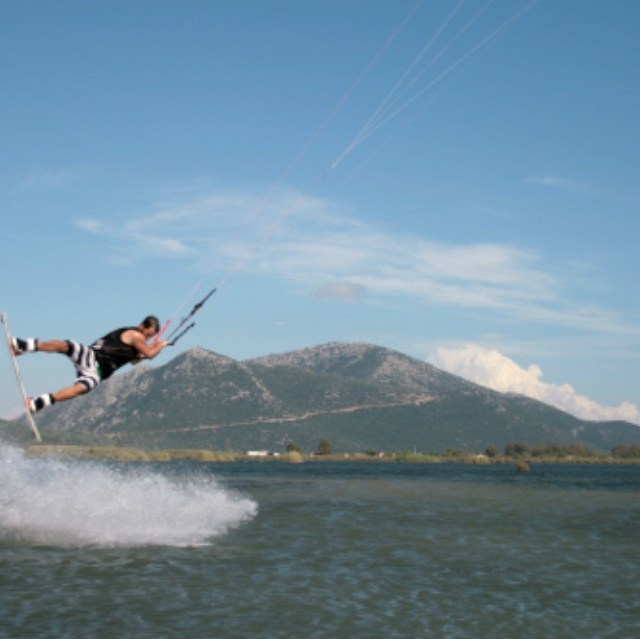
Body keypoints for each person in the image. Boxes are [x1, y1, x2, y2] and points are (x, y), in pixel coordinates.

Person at [9, 316, 168, 414]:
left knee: (82, 388)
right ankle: (25, 345)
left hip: (97, 372)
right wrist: (160, 345)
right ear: (142, 326)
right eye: (147, 334)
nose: (146, 338)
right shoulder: (135, 335)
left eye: (150, 337)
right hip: (92, 356)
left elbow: (136, 359)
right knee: (67, 346)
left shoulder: (138, 344)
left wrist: (151, 350)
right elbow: (149, 354)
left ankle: (38, 403)